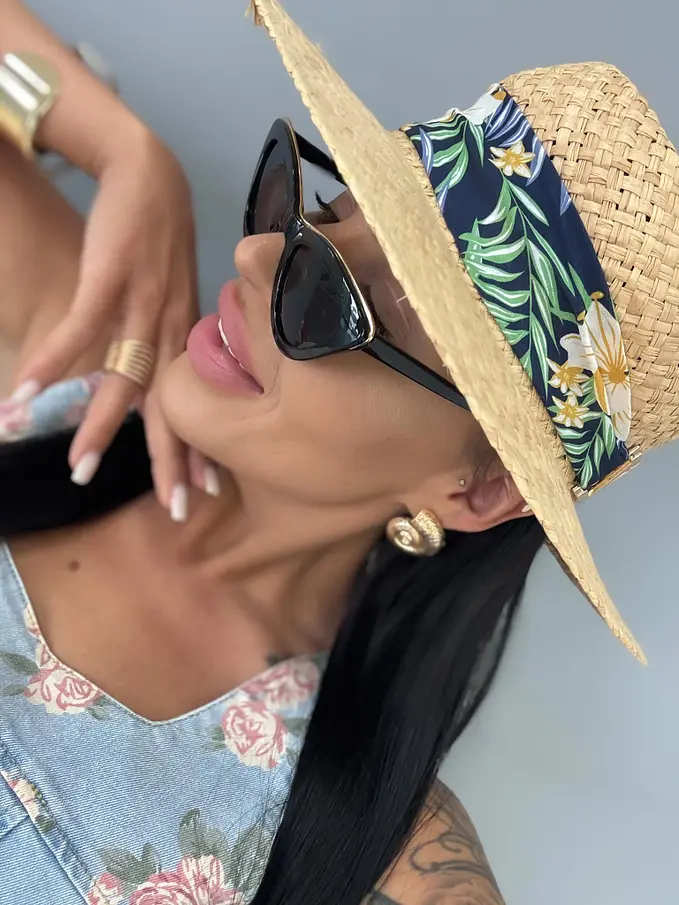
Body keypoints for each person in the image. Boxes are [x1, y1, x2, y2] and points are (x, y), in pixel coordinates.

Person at [1, 1, 677, 904]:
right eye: (311, 212)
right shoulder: (81, 374)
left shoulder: (380, 858)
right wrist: (128, 153)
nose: (253, 256)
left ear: (479, 488)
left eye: (351, 300)